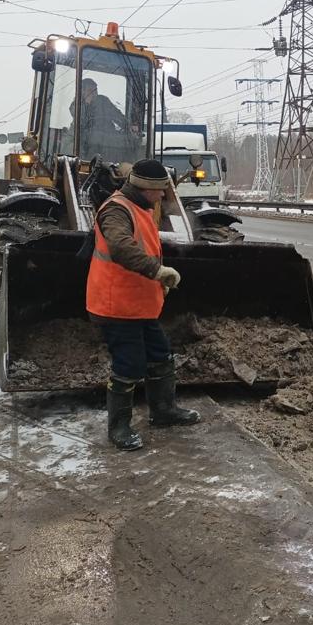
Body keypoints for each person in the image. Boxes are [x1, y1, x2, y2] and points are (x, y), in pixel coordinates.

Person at [86, 158, 200, 450]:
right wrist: (157, 271)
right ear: (145, 187)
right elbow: (121, 246)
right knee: (129, 364)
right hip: (117, 305)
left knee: (160, 355)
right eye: (160, 190)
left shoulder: (140, 207)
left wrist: (156, 280)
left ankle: (163, 411)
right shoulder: (116, 209)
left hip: (139, 304)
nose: (163, 195)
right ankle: (119, 427)